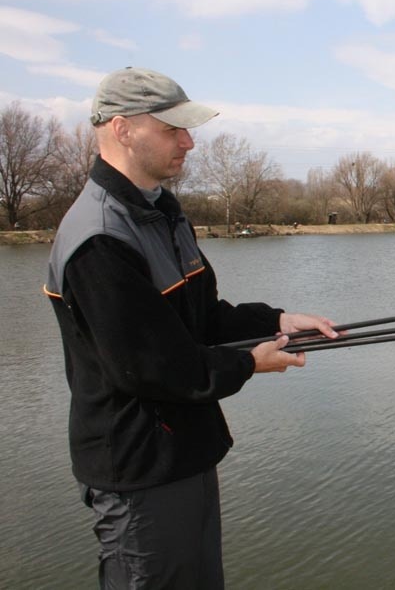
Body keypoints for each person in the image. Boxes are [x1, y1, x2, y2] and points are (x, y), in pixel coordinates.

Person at [43, 67, 338, 588]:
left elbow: (200, 318)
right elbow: (153, 367)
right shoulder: (99, 239)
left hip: (185, 451)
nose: (189, 142)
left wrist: (277, 320)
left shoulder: (162, 213)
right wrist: (250, 362)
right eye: (172, 129)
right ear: (122, 129)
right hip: (138, 468)